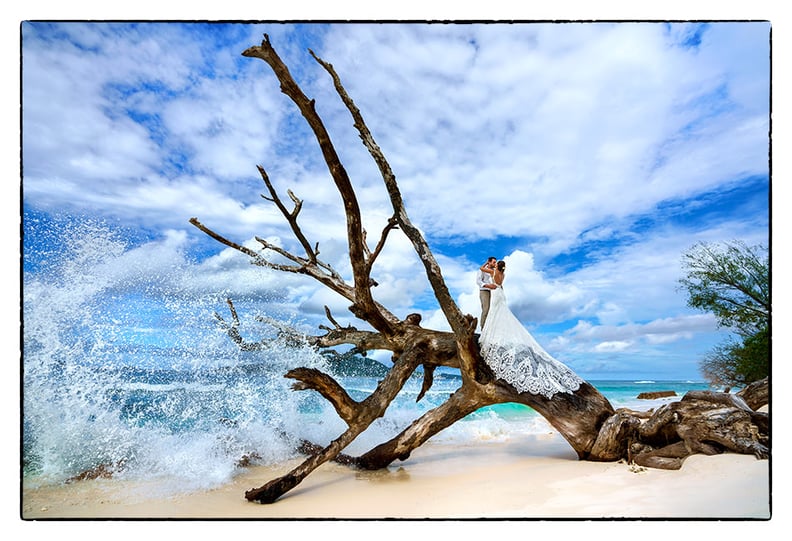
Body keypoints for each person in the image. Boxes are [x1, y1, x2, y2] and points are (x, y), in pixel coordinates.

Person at [479, 260, 583, 399]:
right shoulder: (502, 274)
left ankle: (492, 334)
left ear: (497, 266)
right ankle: (495, 333)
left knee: (495, 314)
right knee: (499, 314)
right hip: (501, 293)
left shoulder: (493, 272)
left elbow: (481, 268)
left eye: (496, 263)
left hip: (496, 293)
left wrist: (487, 263)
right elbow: (498, 281)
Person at [476, 257, 498, 329]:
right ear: (489, 262)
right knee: (486, 309)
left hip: (494, 292)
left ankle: (490, 329)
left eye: (496, 262)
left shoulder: (495, 271)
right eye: (494, 262)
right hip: (484, 290)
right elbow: (478, 281)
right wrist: (488, 285)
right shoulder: (482, 270)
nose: (495, 264)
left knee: (493, 311)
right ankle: (483, 329)